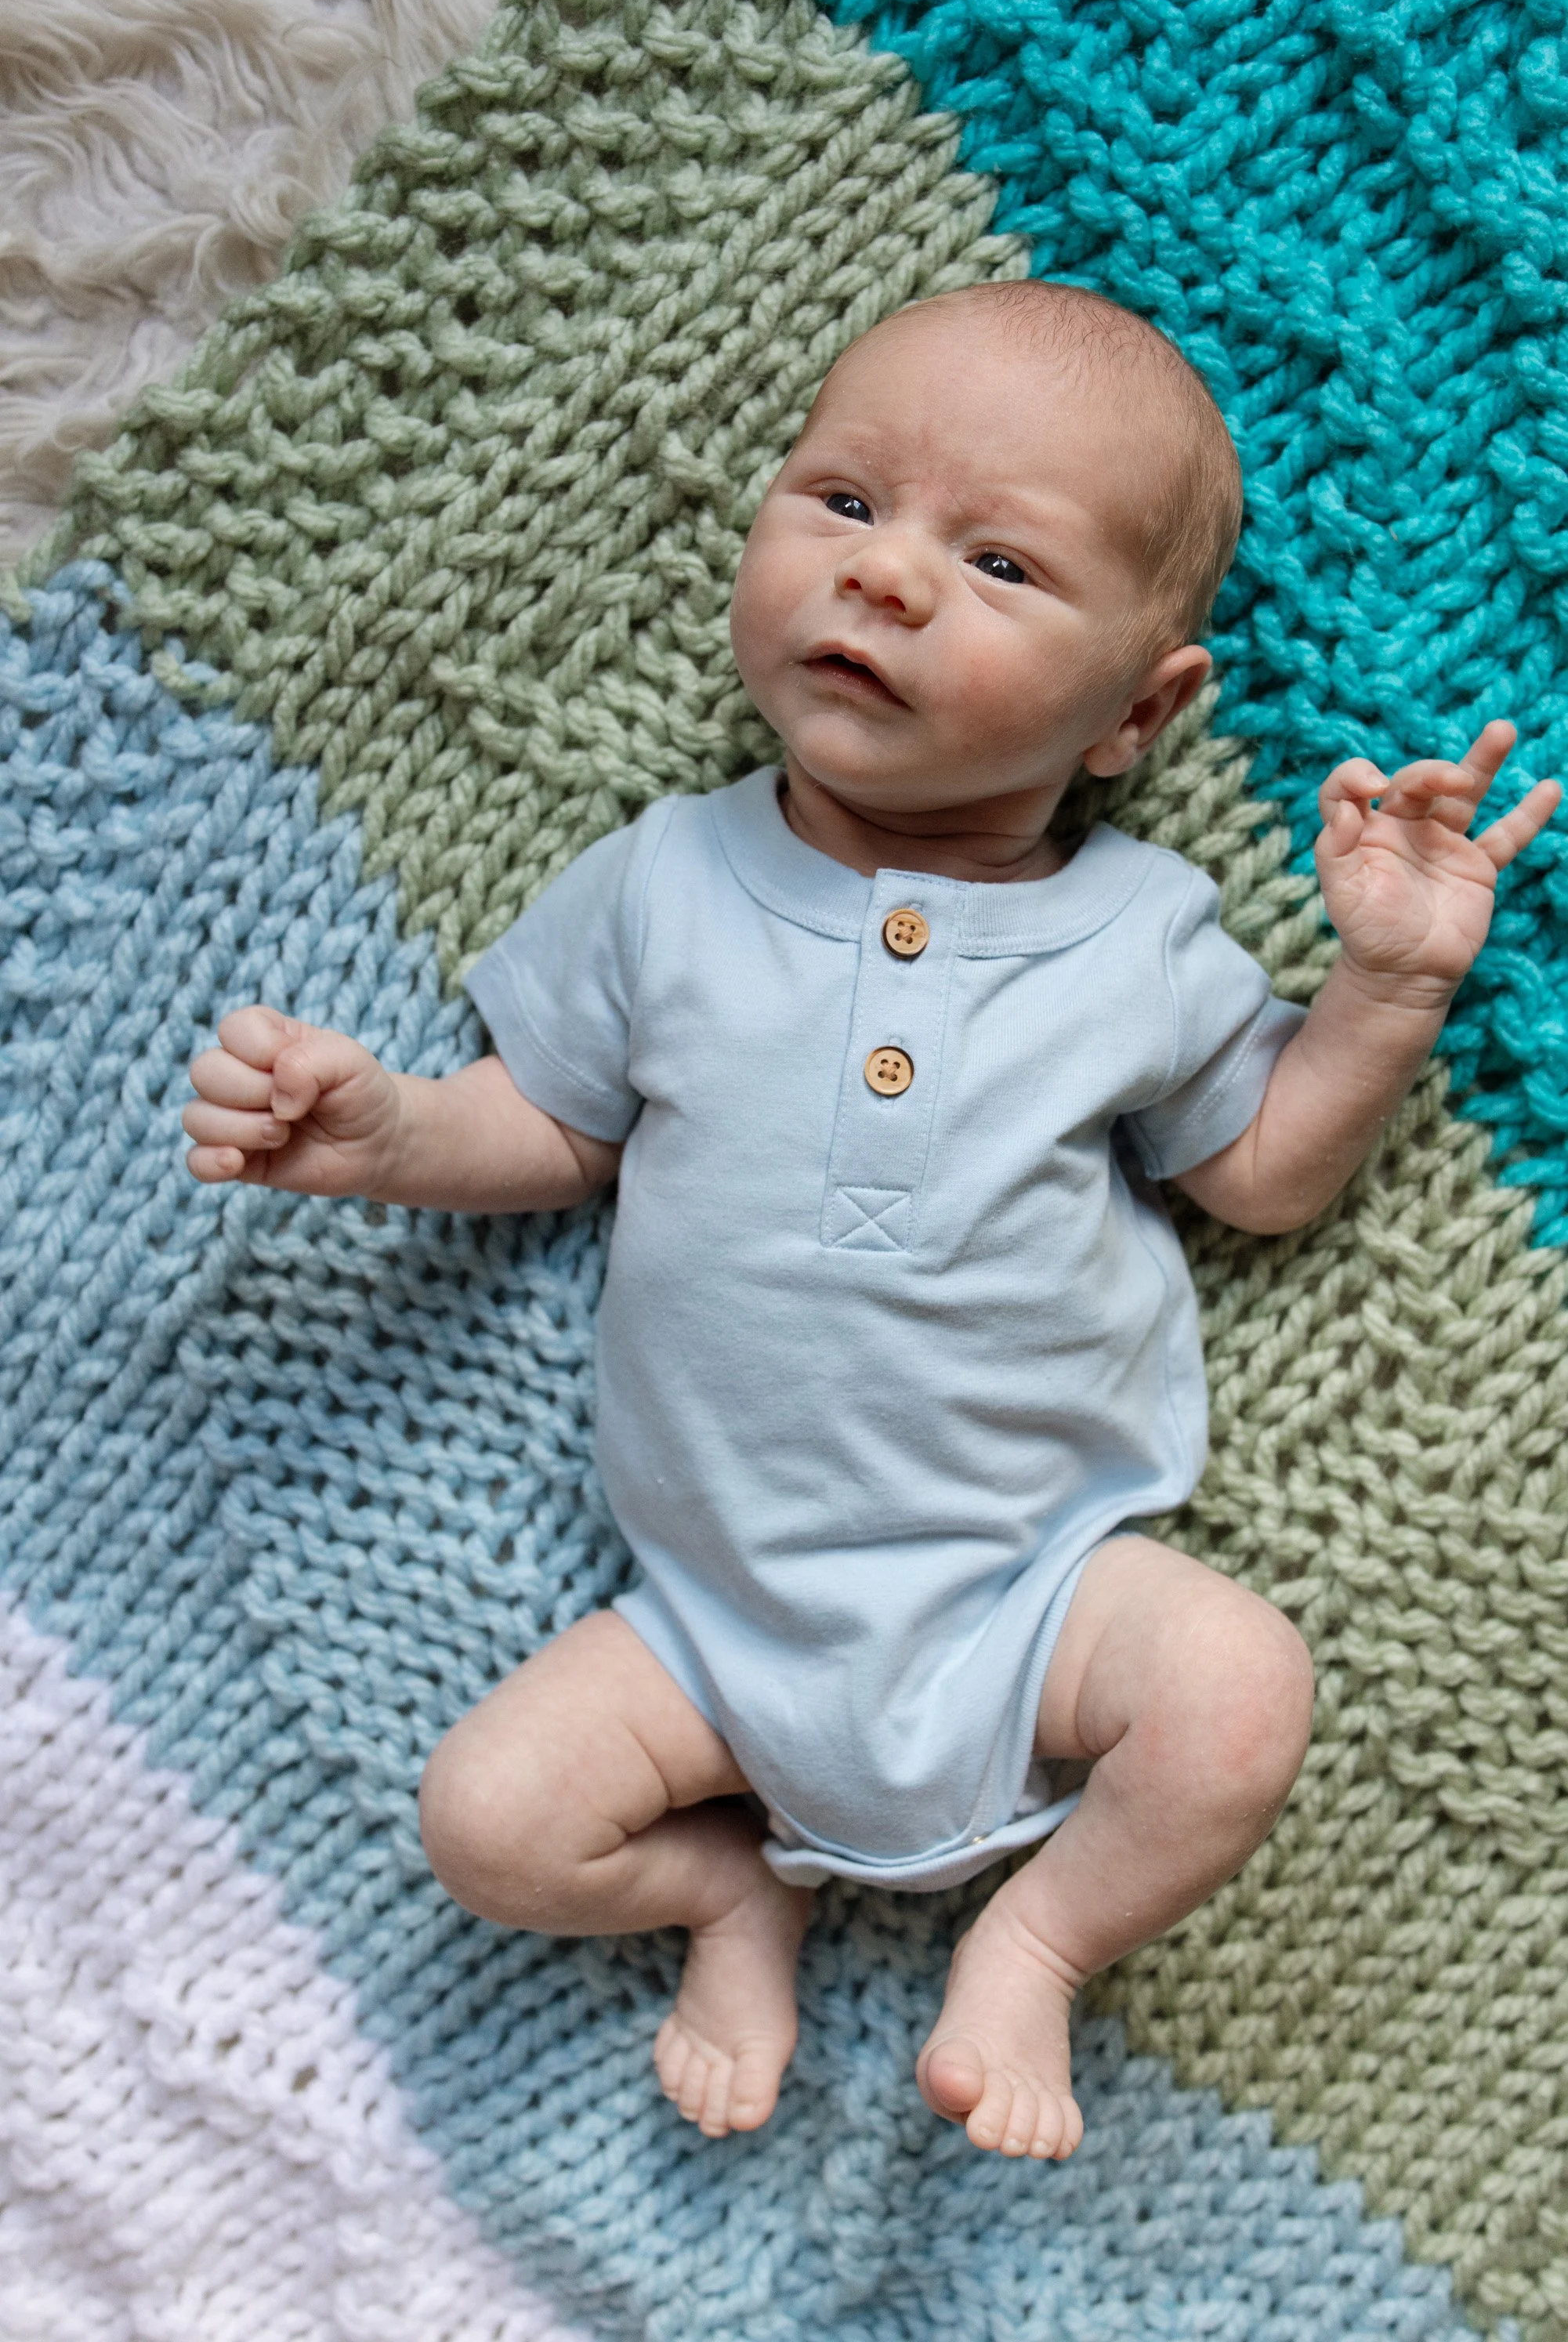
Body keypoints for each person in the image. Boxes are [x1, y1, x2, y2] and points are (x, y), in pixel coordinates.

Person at [183, 281, 1560, 2165]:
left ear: (1137, 713)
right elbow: (555, 1125)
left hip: (1030, 1593)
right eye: (841, 500)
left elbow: (1257, 1171)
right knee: (488, 1827)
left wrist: (1385, 991)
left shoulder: (1136, 938)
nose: (885, 574)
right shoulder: (665, 883)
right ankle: (723, 1893)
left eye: (996, 561)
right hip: (713, 1629)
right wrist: (391, 1132)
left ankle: (1035, 1944)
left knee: (1238, 1692)